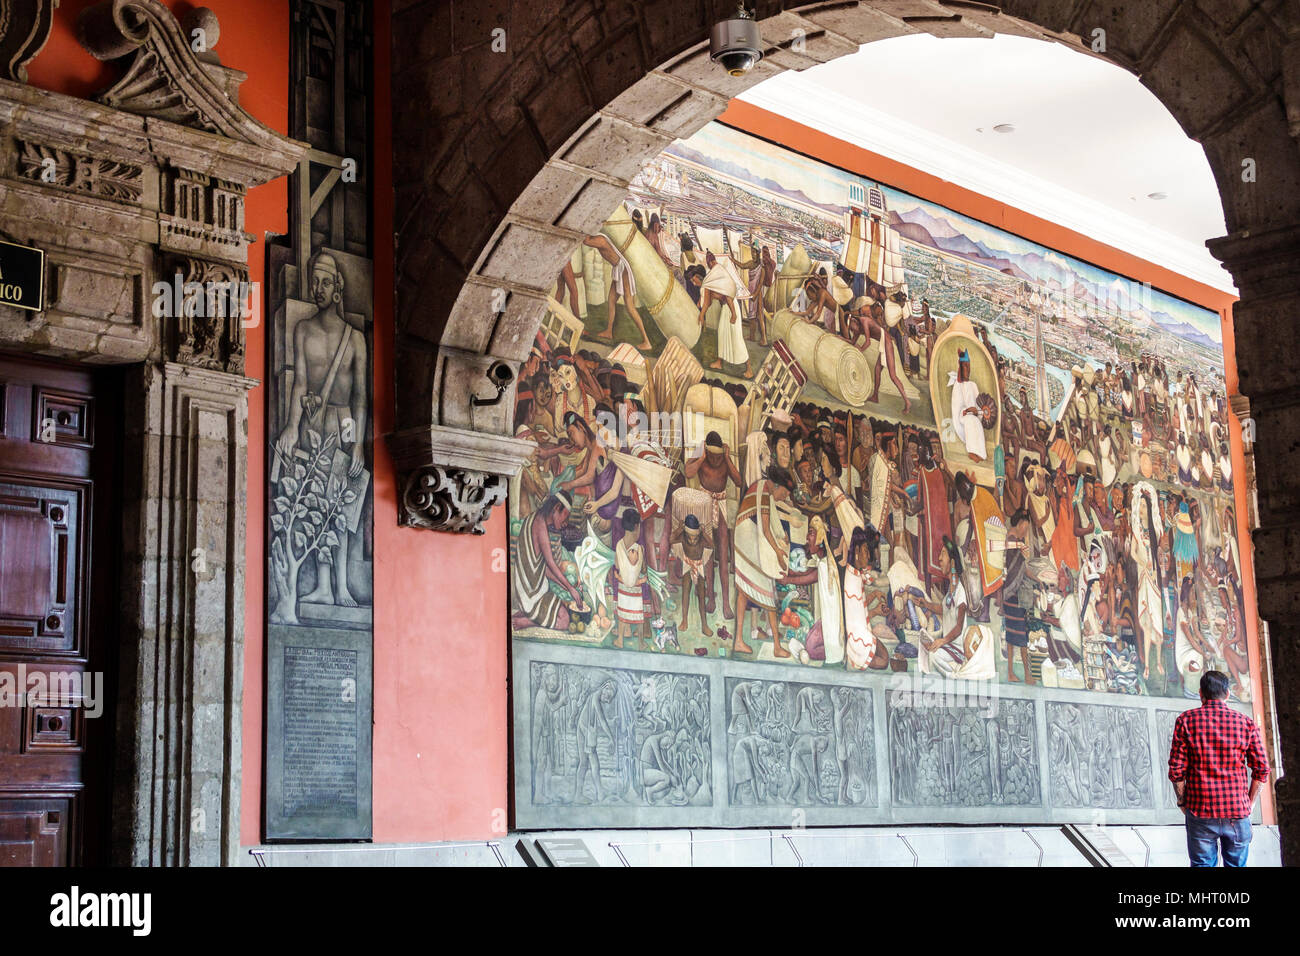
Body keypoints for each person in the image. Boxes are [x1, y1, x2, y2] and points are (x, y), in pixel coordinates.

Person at [1167, 671, 1270, 867]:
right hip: (1237, 812)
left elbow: (1177, 770)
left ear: (1200, 693)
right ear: (1228, 693)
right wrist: (1250, 802)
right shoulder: (1246, 723)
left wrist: (1182, 800)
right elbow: (1262, 769)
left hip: (1200, 810)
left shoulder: (1186, 721)